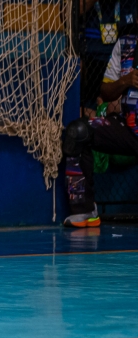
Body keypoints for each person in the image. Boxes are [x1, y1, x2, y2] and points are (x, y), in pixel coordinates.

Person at [61, 29, 138, 228]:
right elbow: (106, 92)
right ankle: (84, 210)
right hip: (129, 128)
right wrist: (126, 80)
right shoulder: (126, 45)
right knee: (78, 132)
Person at [79, 0, 138, 114]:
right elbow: (71, 12)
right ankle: (86, 108)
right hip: (92, 61)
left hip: (121, 62)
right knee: (79, 65)